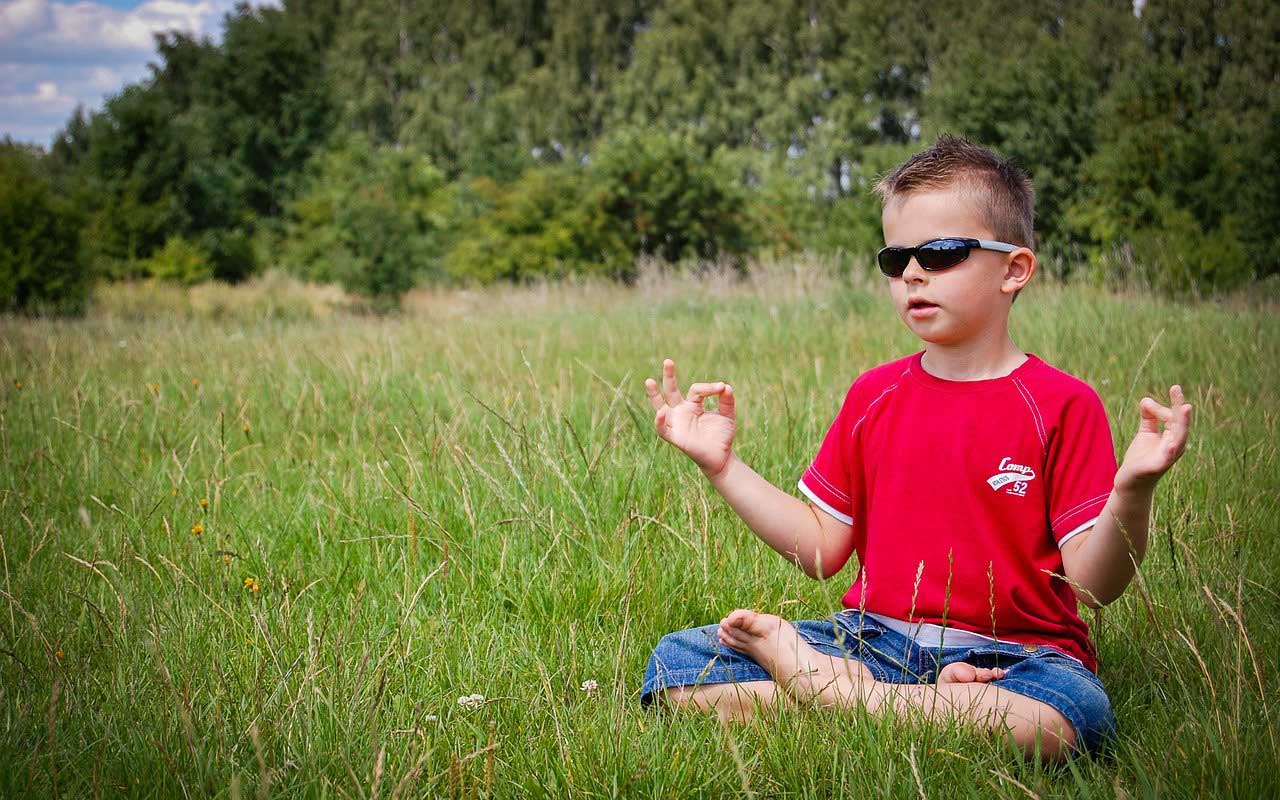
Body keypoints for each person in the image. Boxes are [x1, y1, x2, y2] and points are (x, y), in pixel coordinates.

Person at [638, 135, 1193, 761]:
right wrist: (723, 467)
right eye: (895, 257)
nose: (912, 273)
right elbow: (823, 548)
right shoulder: (874, 396)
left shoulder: (1061, 404)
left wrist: (1133, 491)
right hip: (873, 641)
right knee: (678, 667)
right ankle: (891, 701)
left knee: (1064, 721)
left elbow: (1093, 586)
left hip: (1019, 657)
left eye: (942, 252)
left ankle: (834, 696)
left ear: (1015, 269)